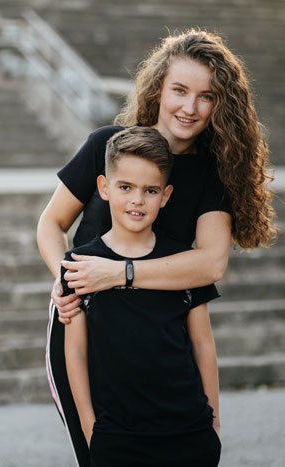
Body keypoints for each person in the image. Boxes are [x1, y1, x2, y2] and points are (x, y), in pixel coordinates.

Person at [37, 28, 277, 466]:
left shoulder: (210, 175)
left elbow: (211, 263)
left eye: (205, 96)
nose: (189, 107)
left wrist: (121, 274)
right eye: (179, 90)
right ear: (158, 89)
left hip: (157, 334)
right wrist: (64, 277)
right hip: (83, 324)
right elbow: (51, 224)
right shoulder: (107, 146)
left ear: (221, 105)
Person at [63, 126, 222, 466]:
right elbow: (75, 352)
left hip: (188, 430)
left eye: (150, 190)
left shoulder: (183, 263)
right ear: (104, 188)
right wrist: (91, 428)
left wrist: (214, 421)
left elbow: (203, 344)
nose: (137, 200)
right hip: (118, 436)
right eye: (125, 187)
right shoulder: (80, 265)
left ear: (165, 196)